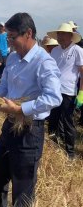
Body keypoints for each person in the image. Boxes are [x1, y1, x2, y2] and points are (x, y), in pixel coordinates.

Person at [0, 12, 62, 207]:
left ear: (28, 33)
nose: (9, 42)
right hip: (9, 125)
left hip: (29, 130)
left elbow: (54, 97)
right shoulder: (12, 58)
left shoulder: (44, 62)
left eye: (12, 37)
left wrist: (21, 109)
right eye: (8, 37)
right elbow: (3, 88)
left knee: (23, 191)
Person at [47, 23, 83, 159]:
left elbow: (82, 73)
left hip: (68, 92)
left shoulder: (77, 50)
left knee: (68, 122)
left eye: (62, 34)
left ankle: (70, 153)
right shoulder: (55, 51)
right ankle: (52, 146)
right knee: (53, 120)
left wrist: (81, 92)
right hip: (54, 91)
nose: (59, 36)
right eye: (58, 34)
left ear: (70, 36)